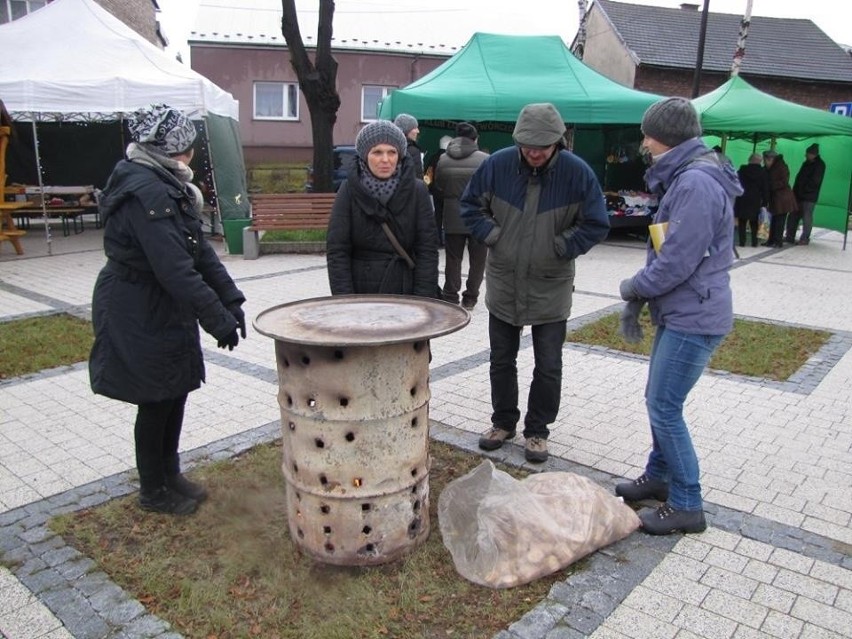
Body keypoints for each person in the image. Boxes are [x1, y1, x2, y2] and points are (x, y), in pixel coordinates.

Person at [89, 104, 246, 516]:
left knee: (174, 390)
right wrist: (215, 319)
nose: (192, 154)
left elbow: (198, 253)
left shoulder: (166, 182)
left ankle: (170, 473)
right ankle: (153, 490)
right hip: (137, 304)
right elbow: (175, 268)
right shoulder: (148, 190)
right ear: (175, 148)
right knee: (155, 397)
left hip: (162, 302)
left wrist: (231, 300)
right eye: (189, 147)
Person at [617, 97, 742, 535]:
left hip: (695, 316)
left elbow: (677, 260)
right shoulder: (688, 176)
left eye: (649, 134)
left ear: (667, 138)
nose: (644, 142)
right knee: (660, 399)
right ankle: (659, 476)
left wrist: (636, 288)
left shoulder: (695, 184)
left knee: (665, 406)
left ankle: (687, 502)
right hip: (683, 310)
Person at [461, 103, 609, 463]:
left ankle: (538, 431)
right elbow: (469, 207)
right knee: (501, 359)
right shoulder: (497, 165)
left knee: (548, 364)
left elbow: (596, 223)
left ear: (558, 141)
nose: (535, 152)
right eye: (528, 144)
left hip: (551, 284)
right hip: (505, 281)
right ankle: (503, 422)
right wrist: (495, 236)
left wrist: (560, 245)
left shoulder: (578, 174)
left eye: (542, 145)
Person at [326, 119, 438, 297]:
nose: (385, 160)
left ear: (400, 155)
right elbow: (337, 250)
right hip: (362, 290)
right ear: (364, 155)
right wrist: (344, 300)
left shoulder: (417, 190)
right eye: (377, 152)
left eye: (392, 152)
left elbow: (427, 250)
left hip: (405, 287)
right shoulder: (349, 190)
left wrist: (423, 299)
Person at [434, 122, 489, 310]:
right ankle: (470, 297)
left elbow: (439, 189)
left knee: (453, 258)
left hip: (452, 216)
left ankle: (450, 295)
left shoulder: (443, 160)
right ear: (475, 139)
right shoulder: (485, 159)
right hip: (479, 217)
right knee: (478, 260)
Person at [788, 143, 826, 246]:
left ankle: (804, 238)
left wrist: (804, 190)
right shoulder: (806, 163)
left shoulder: (820, 165)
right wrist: (795, 191)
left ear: (813, 154)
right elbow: (799, 177)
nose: (805, 155)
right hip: (799, 195)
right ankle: (789, 236)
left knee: (807, 217)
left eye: (807, 153)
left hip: (809, 197)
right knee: (793, 215)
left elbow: (815, 181)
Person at [761, 150, 797, 249]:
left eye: (765, 160)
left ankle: (778, 241)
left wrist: (771, 186)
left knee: (780, 221)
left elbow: (784, 182)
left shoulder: (782, 167)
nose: (764, 163)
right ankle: (771, 240)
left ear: (771, 159)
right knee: (774, 220)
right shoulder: (769, 168)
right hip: (775, 198)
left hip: (783, 199)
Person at [734, 153, 770, 248]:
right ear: (760, 161)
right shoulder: (763, 172)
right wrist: (765, 202)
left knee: (742, 221)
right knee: (754, 222)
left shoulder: (742, 170)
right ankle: (754, 243)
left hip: (742, 198)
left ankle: (742, 242)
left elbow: (735, 182)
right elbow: (765, 188)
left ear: (749, 160)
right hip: (755, 199)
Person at [424, 135, 452, 247]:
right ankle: (449, 241)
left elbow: (427, 176)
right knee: (450, 217)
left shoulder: (433, 158)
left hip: (436, 192)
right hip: (450, 192)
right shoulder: (452, 158)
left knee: (438, 217)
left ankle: (438, 240)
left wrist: (429, 188)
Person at [393, 113, 424, 180]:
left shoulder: (391, 148)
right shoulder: (413, 151)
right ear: (406, 131)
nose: (418, 131)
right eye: (415, 128)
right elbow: (417, 178)